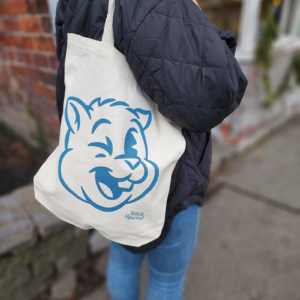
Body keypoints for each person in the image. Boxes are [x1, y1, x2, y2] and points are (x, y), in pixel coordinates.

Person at [55, 0, 248, 299]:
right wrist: (208, 30)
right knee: (167, 279)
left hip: (108, 179)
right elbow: (217, 91)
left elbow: (70, 72)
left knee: (123, 256)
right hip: (166, 177)